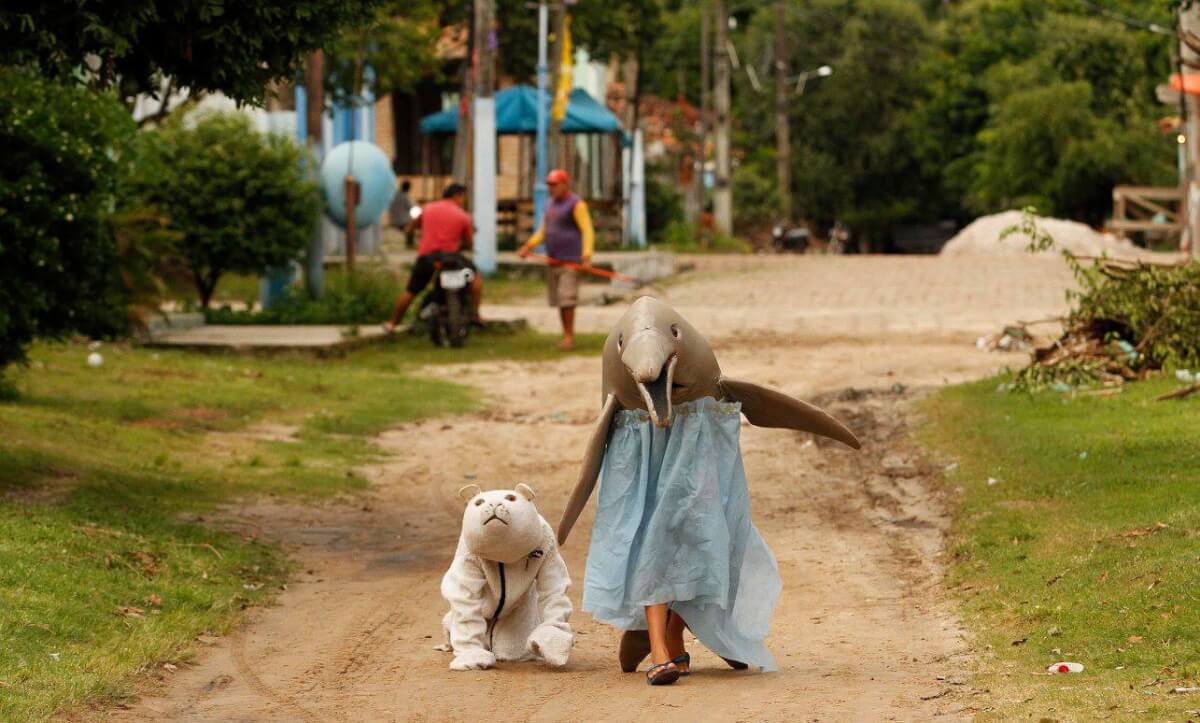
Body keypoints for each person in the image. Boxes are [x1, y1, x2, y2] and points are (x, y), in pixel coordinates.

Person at [384, 182, 484, 331]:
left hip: (428, 260)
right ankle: (475, 315)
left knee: (411, 290)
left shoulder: (427, 209)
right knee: (474, 279)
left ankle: (393, 323)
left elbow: (410, 229)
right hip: (453, 260)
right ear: (458, 196)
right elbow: (469, 243)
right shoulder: (462, 216)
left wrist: (420, 236)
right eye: (463, 197)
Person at [516, 169, 595, 350]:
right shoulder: (549, 205)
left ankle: (569, 337)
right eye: (549, 185)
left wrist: (587, 255)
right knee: (560, 300)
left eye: (554, 185)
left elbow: (587, 230)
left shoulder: (576, 204)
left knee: (567, 299)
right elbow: (543, 231)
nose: (551, 188)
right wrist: (528, 246)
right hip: (554, 261)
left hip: (570, 262)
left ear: (565, 185)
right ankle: (566, 335)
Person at [389, 180, 414, 248]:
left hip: (393, 219)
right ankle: (410, 244)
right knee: (412, 227)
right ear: (408, 188)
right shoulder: (405, 197)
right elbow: (412, 207)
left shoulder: (395, 195)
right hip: (403, 221)